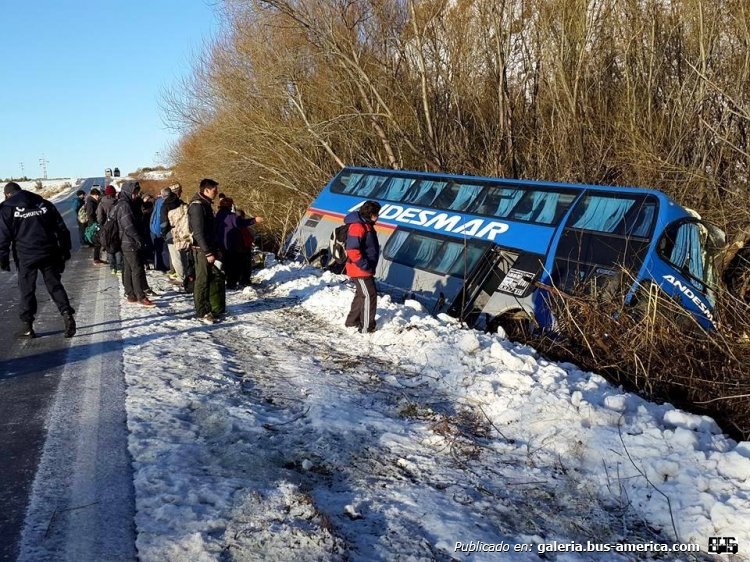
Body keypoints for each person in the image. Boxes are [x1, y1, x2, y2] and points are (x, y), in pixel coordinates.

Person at [0, 182, 76, 338]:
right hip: (49, 252)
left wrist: (3, 258)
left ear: (8, 194)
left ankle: (27, 326)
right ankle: (67, 313)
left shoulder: (7, 209)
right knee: (54, 285)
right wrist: (65, 249)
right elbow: (61, 228)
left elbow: (3, 236)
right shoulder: (43, 203)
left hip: (25, 255)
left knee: (27, 289)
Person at [113, 181, 155, 307]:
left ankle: (130, 294)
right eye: (134, 192)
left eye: (136, 192)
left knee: (128, 268)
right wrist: (139, 239)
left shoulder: (121, 203)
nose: (136, 195)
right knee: (137, 269)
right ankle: (140, 296)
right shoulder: (125, 205)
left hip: (125, 242)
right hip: (129, 242)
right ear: (128, 192)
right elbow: (128, 226)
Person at [188, 178, 224, 323]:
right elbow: (198, 232)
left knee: (209, 279)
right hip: (201, 249)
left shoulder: (205, 204)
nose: (216, 193)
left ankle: (208, 307)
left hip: (208, 247)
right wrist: (208, 252)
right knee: (202, 281)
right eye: (214, 190)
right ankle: (202, 311)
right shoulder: (197, 206)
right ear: (206, 190)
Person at [343, 200, 382, 333]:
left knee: (362, 295)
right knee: (369, 296)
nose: (378, 217)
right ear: (371, 214)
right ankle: (366, 326)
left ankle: (352, 321)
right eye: (377, 214)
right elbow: (352, 250)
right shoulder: (358, 226)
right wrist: (365, 265)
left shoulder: (366, 225)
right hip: (360, 269)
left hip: (363, 268)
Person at [215, 198, 263, 290]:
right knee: (235, 264)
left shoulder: (218, 215)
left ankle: (230, 282)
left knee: (228, 264)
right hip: (232, 245)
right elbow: (240, 223)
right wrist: (254, 220)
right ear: (230, 206)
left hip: (222, 244)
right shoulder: (231, 216)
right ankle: (235, 282)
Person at [161, 183, 186, 282]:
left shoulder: (165, 205)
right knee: (183, 255)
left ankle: (181, 277)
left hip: (171, 233)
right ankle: (187, 275)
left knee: (176, 257)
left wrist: (163, 233)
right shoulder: (180, 202)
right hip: (182, 231)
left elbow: (163, 222)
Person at [97, 185, 122, 274]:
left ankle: (113, 268)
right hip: (117, 227)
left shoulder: (101, 203)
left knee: (108, 247)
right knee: (118, 247)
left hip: (106, 228)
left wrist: (101, 226)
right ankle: (119, 268)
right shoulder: (118, 202)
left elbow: (99, 217)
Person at [85, 187, 105, 264]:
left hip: (94, 224)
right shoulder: (90, 203)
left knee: (97, 242)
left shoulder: (92, 201)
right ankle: (96, 259)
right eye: (97, 195)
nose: (98, 197)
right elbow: (90, 215)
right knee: (97, 242)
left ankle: (97, 258)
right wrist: (94, 224)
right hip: (93, 225)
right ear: (94, 195)